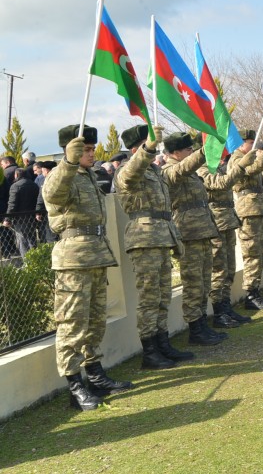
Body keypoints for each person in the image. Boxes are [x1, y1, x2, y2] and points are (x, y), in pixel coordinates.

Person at [43, 124, 133, 411]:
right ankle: (75, 385)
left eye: (93, 149)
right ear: (70, 150)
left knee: (94, 321)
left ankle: (94, 373)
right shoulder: (62, 175)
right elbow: (54, 195)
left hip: (95, 255)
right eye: (86, 149)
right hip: (73, 261)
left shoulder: (88, 176)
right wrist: (68, 162)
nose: (92, 153)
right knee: (72, 324)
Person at [114, 124, 191, 369]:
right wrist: (147, 149)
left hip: (162, 236)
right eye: (147, 145)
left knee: (163, 295)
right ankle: (150, 351)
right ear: (137, 148)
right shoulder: (128, 170)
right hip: (144, 239)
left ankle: (162, 342)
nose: (154, 147)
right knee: (149, 297)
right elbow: (131, 173)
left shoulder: (155, 172)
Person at [161, 133, 228, 345]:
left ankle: (202, 325)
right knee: (192, 282)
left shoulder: (190, 172)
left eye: (192, 149)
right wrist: (204, 151)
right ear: (174, 152)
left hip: (203, 230)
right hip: (188, 233)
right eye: (187, 149)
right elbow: (182, 169)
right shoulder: (170, 170)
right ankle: (195, 329)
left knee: (204, 279)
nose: (191, 152)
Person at [197, 153, 253, 328]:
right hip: (216, 222)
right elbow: (221, 183)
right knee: (219, 270)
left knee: (229, 268)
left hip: (228, 220)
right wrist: (241, 166)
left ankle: (226, 307)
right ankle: (219, 312)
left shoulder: (219, 166)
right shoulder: (203, 169)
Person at [230, 129, 263, 310]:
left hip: (256, 209)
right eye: (250, 142)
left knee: (259, 253)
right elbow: (252, 170)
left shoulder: (247, 157)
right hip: (247, 211)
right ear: (240, 143)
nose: (253, 145)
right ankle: (250, 295)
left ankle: (256, 290)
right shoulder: (236, 159)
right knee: (251, 252)